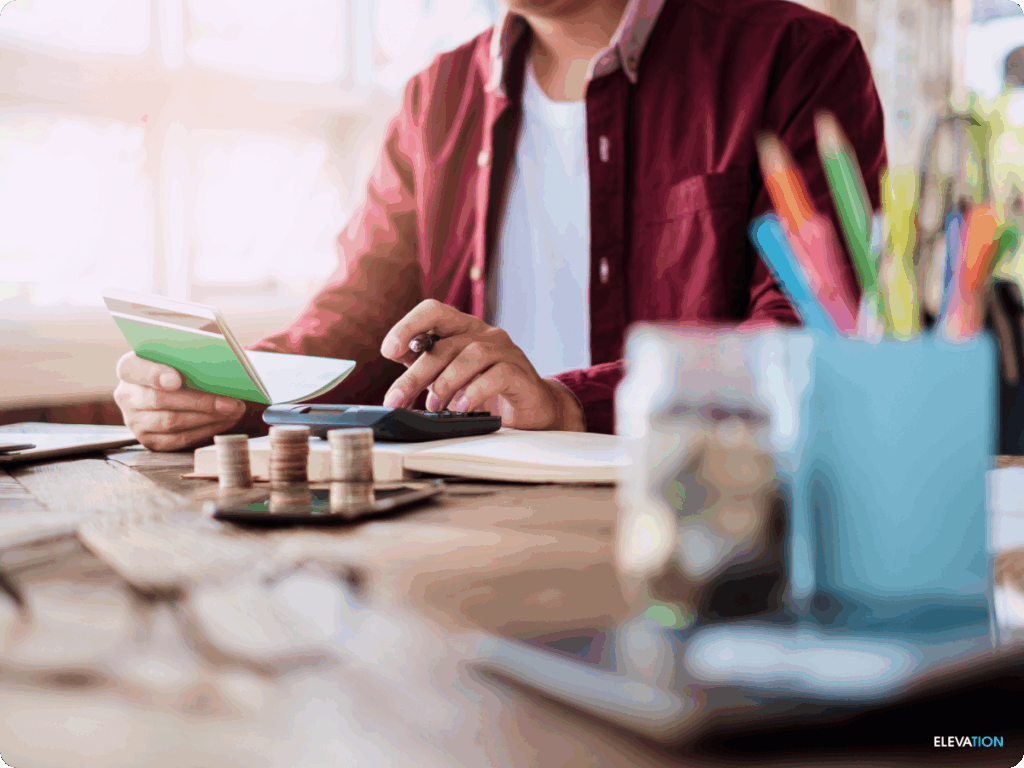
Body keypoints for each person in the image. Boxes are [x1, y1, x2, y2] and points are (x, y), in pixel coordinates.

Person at [115, 0, 886, 451]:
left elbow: (810, 332)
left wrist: (571, 404)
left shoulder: (800, 59)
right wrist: (220, 391)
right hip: (466, 519)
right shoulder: (434, 99)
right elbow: (352, 323)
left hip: (706, 517)